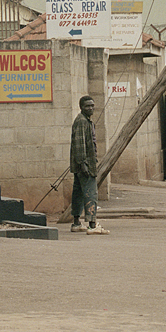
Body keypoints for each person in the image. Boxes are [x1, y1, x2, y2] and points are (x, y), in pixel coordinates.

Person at [69, 95, 107, 234]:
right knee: (91, 193)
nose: (90, 108)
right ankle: (92, 224)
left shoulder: (85, 120)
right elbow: (79, 144)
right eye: (87, 106)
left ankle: (76, 223)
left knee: (78, 194)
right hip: (85, 165)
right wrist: (83, 163)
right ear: (81, 107)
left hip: (81, 165)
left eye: (92, 105)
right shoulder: (82, 121)